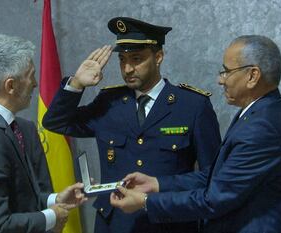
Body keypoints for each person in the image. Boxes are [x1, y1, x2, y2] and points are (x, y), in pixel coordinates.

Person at [42, 17, 221, 233]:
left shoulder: (192, 105)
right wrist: (77, 84)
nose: (127, 68)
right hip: (114, 224)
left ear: (159, 57)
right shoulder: (109, 103)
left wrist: (159, 184)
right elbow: (55, 122)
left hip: (170, 223)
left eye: (136, 59)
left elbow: (212, 177)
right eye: (122, 60)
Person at [110, 35, 281, 233]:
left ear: (252, 76)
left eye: (227, 72)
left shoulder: (261, 127)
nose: (220, 80)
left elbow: (214, 199)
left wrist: (146, 201)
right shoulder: (258, 113)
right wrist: (157, 184)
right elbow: (219, 177)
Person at [0, 34, 87, 233]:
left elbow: (15, 196)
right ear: (11, 86)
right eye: (31, 75)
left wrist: (54, 200)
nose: (35, 84)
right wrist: (51, 216)